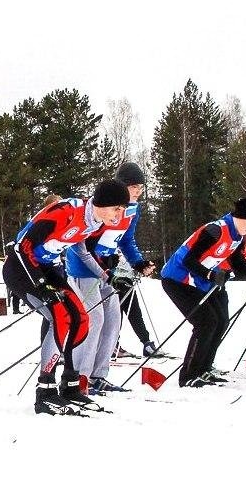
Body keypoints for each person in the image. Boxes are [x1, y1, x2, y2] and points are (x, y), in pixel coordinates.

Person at [2, 180, 129, 415]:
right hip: (21, 267)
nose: (120, 214)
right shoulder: (66, 211)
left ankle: (70, 384)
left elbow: (85, 250)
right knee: (59, 316)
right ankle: (45, 390)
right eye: (117, 208)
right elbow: (21, 248)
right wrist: (41, 284)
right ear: (102, 204)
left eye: (122, 209)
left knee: (81, 319)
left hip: (49, 267)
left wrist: (109, 273)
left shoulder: (94, 222)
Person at [159, 196, 246, 387]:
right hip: (176, 279)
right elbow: (188, 261)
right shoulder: (215, 230)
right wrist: (209, 275)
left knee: (220, 321)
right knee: (206, 322)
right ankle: (188, 375)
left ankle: (204, 369)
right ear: (238, 217)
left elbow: (238, 265)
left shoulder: (237, 236)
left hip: (197, 282)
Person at [64, 162, 155, 394]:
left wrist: (138, 262)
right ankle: (80, 376)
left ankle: (98, 376)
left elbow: (126, 241)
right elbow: (83, 245)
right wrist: (104, 268)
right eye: (134, 187)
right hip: (85, 269)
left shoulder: (132, 210)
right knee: (95, 320)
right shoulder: (106, 207)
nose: (138, 192)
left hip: (106, 271)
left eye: (141, 188)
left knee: (113, 319)